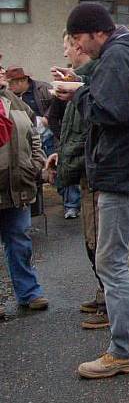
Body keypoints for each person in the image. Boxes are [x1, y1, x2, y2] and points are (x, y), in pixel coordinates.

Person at [59, 2, 129, 379]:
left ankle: (124, 350)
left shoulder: (118, 57)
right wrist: (86, 86)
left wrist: (78, 95)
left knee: (111, 262)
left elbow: (112, 111)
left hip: (121, 175)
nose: (76, 46)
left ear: (94, 33)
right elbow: (123, 102)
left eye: (76, 39)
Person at [45, 33, 109, 329]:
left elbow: (92, 134)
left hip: (97, 175)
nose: (65, 54)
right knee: (91, 239)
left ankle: (111, 306)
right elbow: (71, 129)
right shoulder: (78, 85)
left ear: (79, 47)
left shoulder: (96, 81)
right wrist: (62, 154)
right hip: (86, 173)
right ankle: (103, 295)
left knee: (101, 243)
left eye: (67, 47)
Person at [0, 66, 48, 320]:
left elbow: (34, 135)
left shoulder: (15, 102)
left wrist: (36, 163)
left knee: (19, 240)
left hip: (17, 183)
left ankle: (29, 292)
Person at [45, 38, 84, 220]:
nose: (65, 52)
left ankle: (73, 204)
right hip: (67, 139)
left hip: (81, 144)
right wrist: (62, 137)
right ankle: (71, 205)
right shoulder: (61, 93)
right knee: (67, 169)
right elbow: (52, 117)